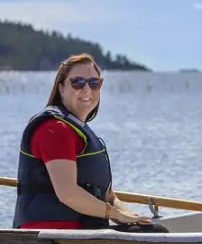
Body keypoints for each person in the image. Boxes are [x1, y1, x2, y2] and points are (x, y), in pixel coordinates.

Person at [12, 53, 168, 232]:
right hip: (54, 233)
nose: (87, 90)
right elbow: (68, 194)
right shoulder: (55, 129)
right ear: (61, 87)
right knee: (157, 234)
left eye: (95, 83)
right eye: (77, 82)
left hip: (84, 229)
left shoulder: (76, 129)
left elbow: (108, 195)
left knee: (152, 229)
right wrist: (115, 214)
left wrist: (131, 216)